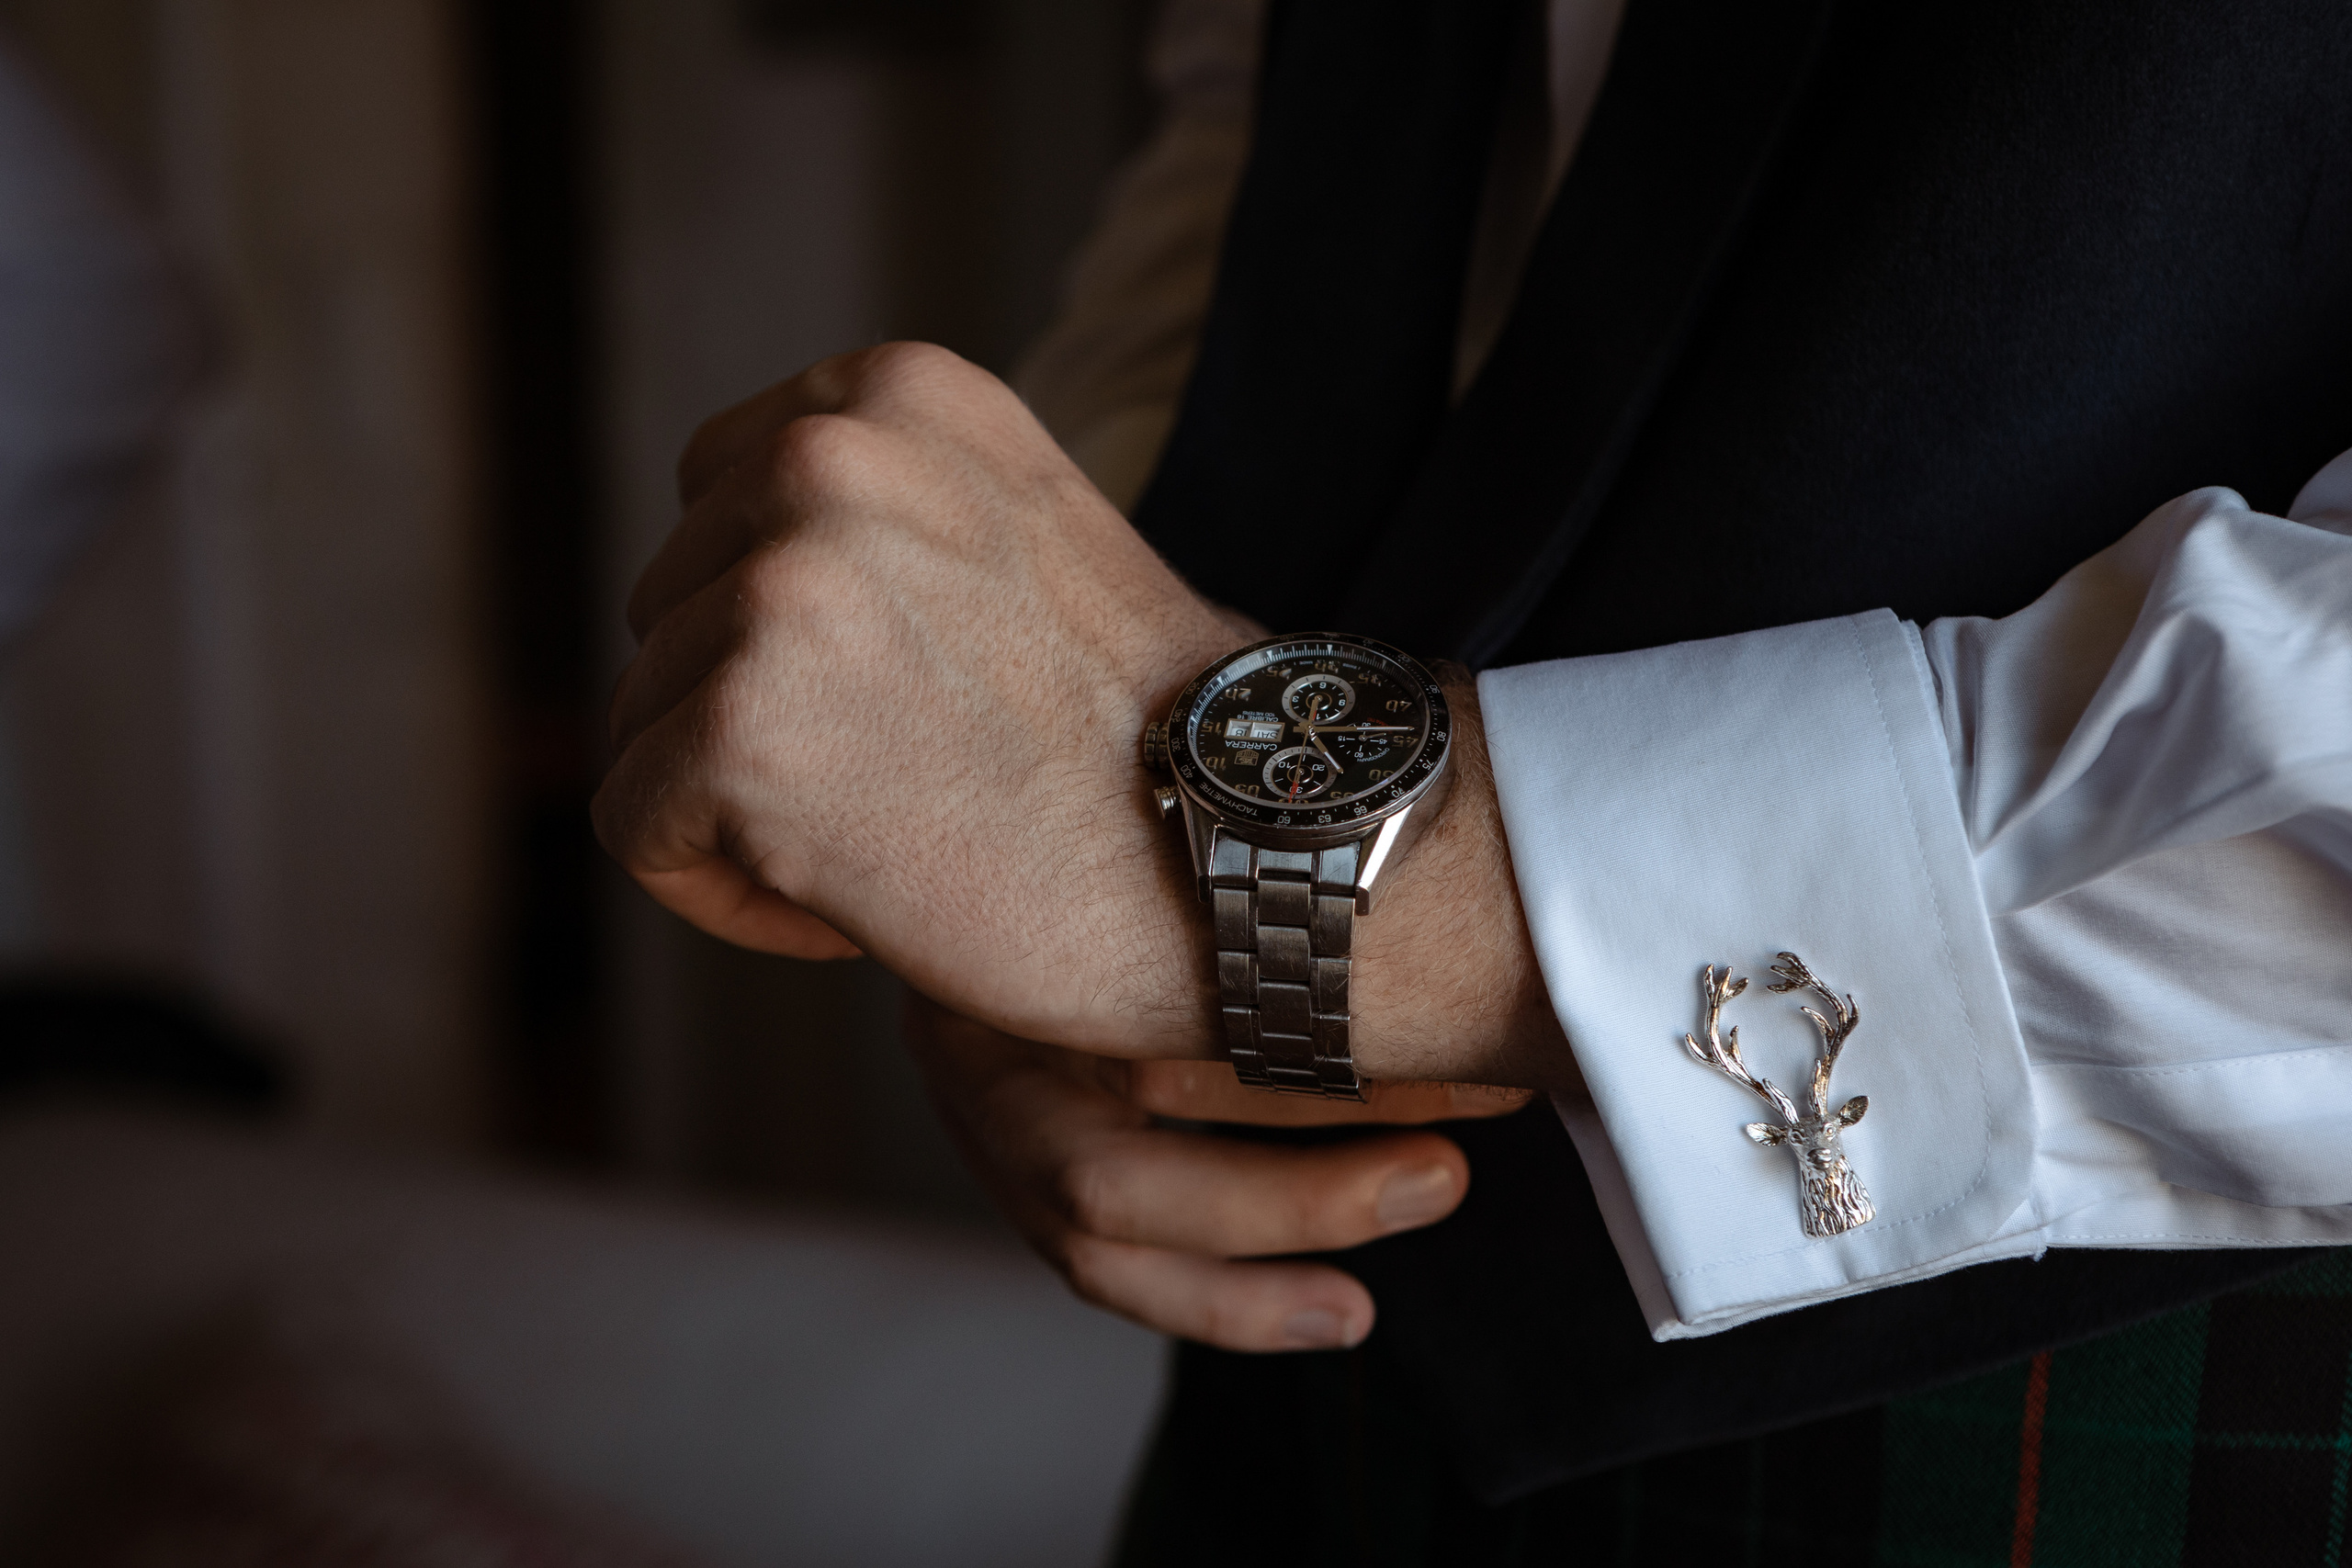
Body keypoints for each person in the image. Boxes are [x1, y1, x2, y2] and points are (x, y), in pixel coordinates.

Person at [597, 0, 2352, 1558]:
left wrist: (1297, 865)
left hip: (2122, 1361)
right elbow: (1291, 105)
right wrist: (1028, 782)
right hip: (1302, 1329)